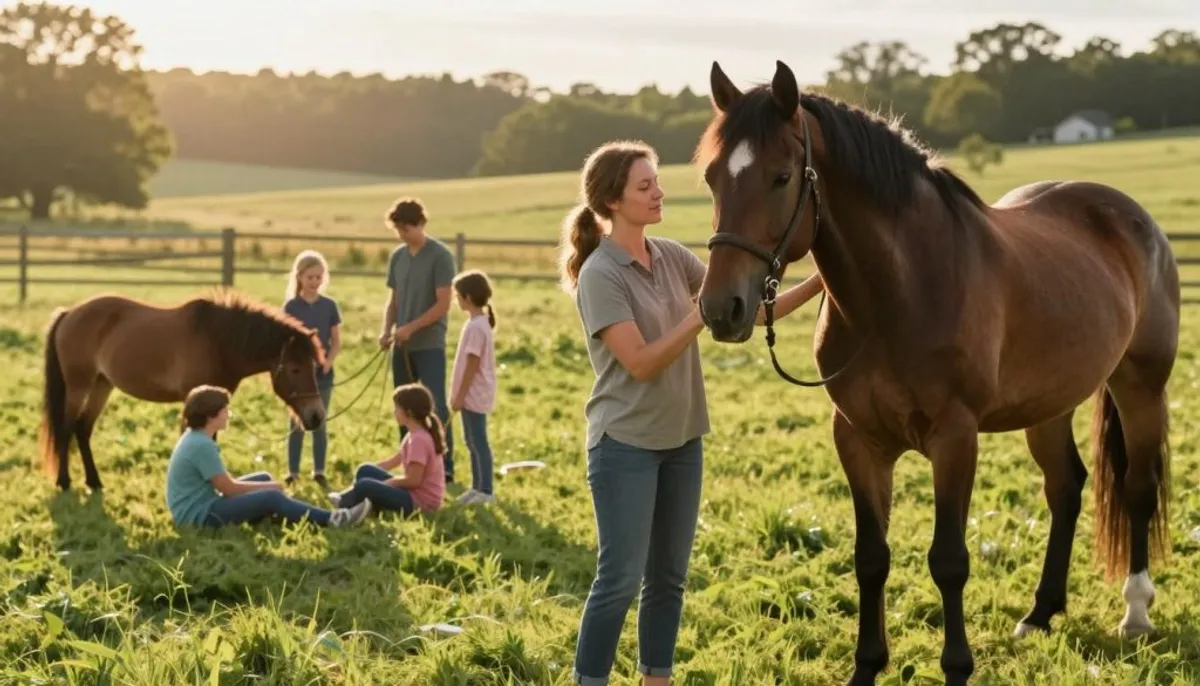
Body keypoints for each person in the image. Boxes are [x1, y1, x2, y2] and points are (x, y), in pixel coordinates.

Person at [560, 140, 819, 686]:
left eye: (657, 181)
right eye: (645, 185)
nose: (659, 193)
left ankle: (658, 678)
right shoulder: (600, 274)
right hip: (625, 446)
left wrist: (822, 283)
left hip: (682, 442)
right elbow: (641, 363)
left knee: (669, 580)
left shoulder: (672, 256)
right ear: (612, 200)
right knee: (620, 580)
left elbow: (748, 309)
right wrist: (698, 317)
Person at [165, 385, 370, 528]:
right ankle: (334, 519)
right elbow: (228, 488)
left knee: (263, 477)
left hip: (202, 504)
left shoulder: (196, 437)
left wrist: (265, 486)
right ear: (211, 417)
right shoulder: (201, 445)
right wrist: (271, 489)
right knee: (270, 493)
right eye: (224, 410)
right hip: (199, 516)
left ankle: (278, 514)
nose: (229, 414)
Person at [378, 197, 457, 484]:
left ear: (421, 224)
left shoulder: (440, 256)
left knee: (435, 404)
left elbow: (442, 304)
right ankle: (410, 463)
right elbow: (394, 300)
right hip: (401, 345)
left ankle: (444, 465)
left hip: (429, 344)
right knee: (403, 406)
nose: (402, 234)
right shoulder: (398, 257)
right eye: (398, 229)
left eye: (407, 228)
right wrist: (387, 330)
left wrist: (411, 327)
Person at [328, 382, 447, 516]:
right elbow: (393, 462)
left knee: (365, 486)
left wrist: (386, 483)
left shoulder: (418, 440)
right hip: (412, 494)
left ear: (409, 412)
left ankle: (346, 506)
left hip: (420, 502)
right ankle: (350, 499)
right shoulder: (413, 434)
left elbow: (414, 480)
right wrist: (372, 474)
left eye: (397, 409)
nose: (394, 412)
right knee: (365, 470)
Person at [282, 249, 342, 489]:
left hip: (323, 375)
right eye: (310, 278)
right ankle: (293, 471)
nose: (315, 282)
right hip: (298, 376)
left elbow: (336, 339)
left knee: (320, 422)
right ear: (300, 278)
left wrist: (329, 361)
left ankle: (319, 471)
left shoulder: (329, 306)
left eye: (319, 277)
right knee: (296, 424)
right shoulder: (291, 307)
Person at [448, 269, 498, 505]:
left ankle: (486, 490)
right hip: (470, 394)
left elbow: (472, 364)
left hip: (473, 395)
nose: (457, 301)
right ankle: (476, 487)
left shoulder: (477, 327)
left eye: (458, 296)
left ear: (467, 298)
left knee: (478, 441)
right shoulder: (476, 324)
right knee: (471, 441)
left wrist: (459, 396)